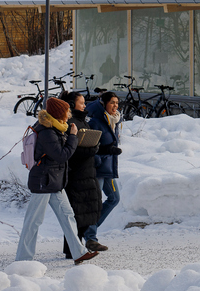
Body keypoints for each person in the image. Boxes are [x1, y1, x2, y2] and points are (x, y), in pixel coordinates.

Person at [15, 97, 98, 264]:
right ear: (59, 114)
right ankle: (23, 260)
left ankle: (79, 252)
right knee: (33, 221)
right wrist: (73, 137)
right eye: (66, 112)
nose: (68, 115)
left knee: (68, 216)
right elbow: (61, 155)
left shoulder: (56, 128)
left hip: (54, 182)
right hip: (44, 182)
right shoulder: (47, 132)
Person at [60, 92, 102, 259]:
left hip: (86, 171)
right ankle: (73, 249)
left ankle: (72, 248)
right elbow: (72, 148)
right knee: (78, 211)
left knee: (85, 210)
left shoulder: (81, 120)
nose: (85, 106)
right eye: (82, 103)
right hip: (77, 172)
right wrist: (92, 149)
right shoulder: (70, 123)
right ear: (72, 104)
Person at [82, 91, 122, 251]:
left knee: (114, 198)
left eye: (117, 103)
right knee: (95, 202)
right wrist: (106, 151)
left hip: (108, 169)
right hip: (98, 169)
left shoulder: (114, 120)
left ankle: (87, 228)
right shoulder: (96, 122)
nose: (115, 106)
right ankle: (91, 237)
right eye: (112, 102)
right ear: (104, 104)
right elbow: (89, 146)